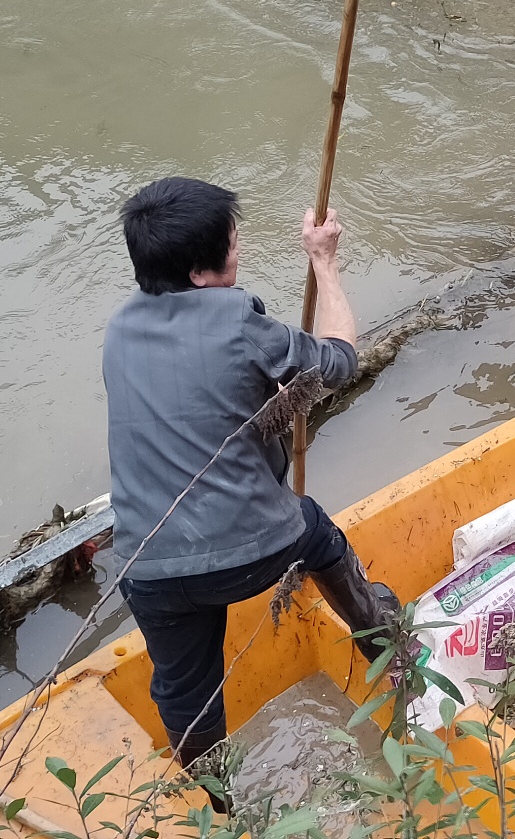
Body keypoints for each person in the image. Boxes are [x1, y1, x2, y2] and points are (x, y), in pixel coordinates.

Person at [102, 177, 404, 771]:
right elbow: (339, 359)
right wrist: (325, 261)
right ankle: (382, 635)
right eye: (234, 245)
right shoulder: (237, 318)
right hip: (252, 551)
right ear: (197, 272)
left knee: (187, 700)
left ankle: (212, 800)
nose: (239, 253)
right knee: (315, 532)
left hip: (147, 568)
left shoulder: (116, 332)